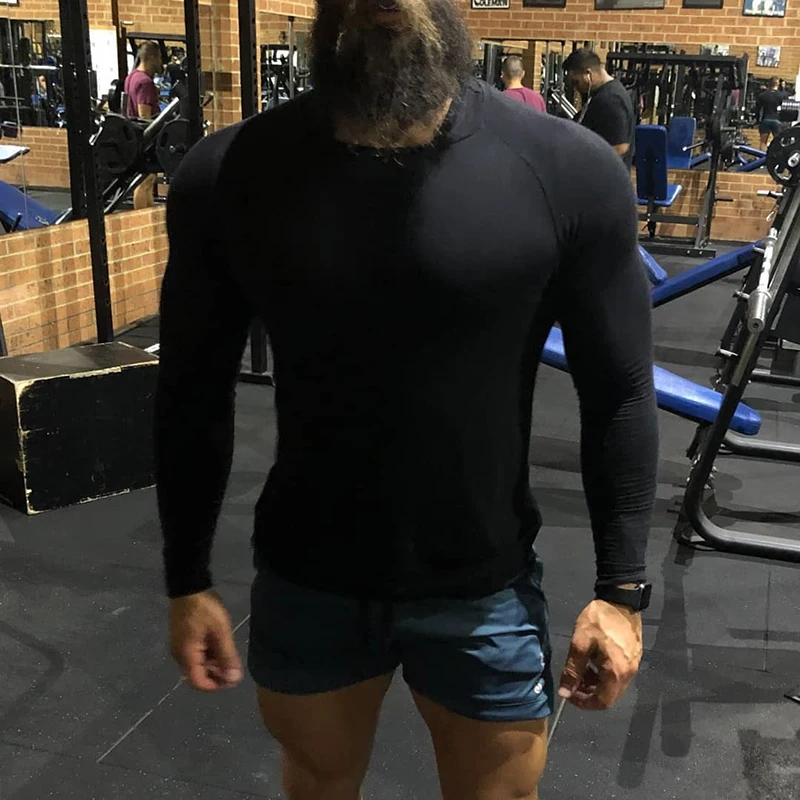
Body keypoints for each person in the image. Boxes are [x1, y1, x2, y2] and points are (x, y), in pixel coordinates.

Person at [156, 0, 659, 798]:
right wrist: (185, 579)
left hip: (483, 587)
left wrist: (621, 592)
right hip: (308, 579)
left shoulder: (566, 169)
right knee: (316, 784)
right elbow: (192, 388)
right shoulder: (231, 173)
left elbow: (620, 389)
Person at [564, 47, 635, 168]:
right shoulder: (601, 95)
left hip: (606, 175)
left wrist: (585, 160)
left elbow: (619, 147)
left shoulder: (611, 99)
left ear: (588, 74)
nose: (576, 88)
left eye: (576, 82)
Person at [123, 41, 162, 209]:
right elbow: (144, 116)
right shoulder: (145, 82)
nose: (160, 62)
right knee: (144, 181)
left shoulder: (131, 77)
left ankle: (148, 216)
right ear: (151, 57)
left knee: (147, 181)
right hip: (144, 138)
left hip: (133, 136)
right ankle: (141, 218)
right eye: (159, 58)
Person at [756, 76, 789, 150]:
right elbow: (786, 107)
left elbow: (758, 109)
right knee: (778, 142)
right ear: (778, 84)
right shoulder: (782, 95)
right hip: (777, 120)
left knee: (763, 141)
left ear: (769, 83)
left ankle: (761, 155)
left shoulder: (763, 95)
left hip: (766, 119)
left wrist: (757, 120)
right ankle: (776, 155)